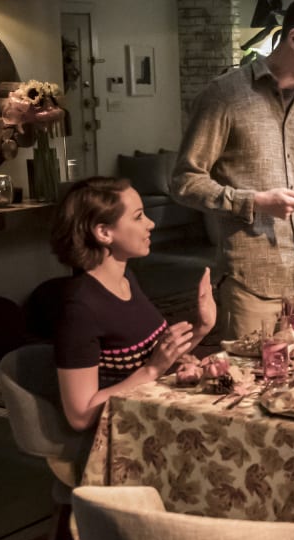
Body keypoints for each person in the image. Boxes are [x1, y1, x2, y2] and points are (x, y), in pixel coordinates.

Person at [171, 0, 294, 339]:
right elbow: (184, 181)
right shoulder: (225, 95)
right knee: (250, 376)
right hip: (251, 287)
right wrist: (255, 202)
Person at [51, 177, 215, 432]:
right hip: (122, 435)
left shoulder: (126, 279)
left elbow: (158, 358)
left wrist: (202, 327)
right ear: (104, 232)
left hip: (153, 412)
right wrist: (152, 370)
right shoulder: (79, 308)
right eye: (138, 217)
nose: (151, 224)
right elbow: (80, 417)